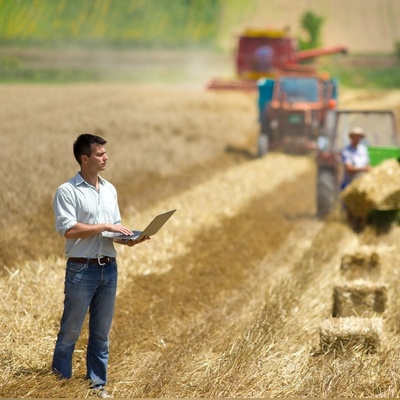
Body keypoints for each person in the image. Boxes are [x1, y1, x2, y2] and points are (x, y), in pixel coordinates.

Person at [52, 133, 149, 398]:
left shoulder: (110, 189)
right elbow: (69, 230)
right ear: (84, 159)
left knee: (101, 334)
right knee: (70, 332)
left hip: (109, 268)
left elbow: (112, 231)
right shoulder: (67, 191)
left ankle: (97, 386)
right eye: (100, 154)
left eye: (105, 153)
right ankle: (60, 386)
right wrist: (104, 225)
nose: (106, 157)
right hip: (81, 269)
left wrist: (130, 239)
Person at [340, 126, 371, 230]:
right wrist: (363, 169)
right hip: (350, 183)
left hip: (362, 183)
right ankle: (351, 228)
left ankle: (361, 227)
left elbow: (367, 165)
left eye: (359, 137)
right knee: (350, 208)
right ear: (351, 137)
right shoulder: (346, 151)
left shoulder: (363, 150)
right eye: (355, 136)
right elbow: (349, 169)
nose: (357, 139)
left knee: (363, 207)